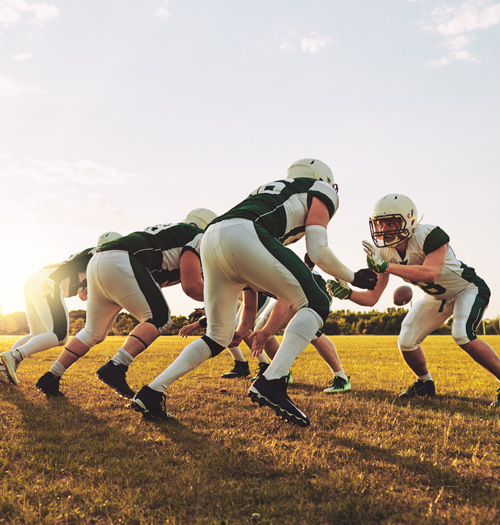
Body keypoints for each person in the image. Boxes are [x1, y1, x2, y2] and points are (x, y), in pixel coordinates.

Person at [131, 158, 377, 427]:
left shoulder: (269, 190)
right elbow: (317, 250)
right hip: (245, 233)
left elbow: (251, 297)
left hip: (213, 238)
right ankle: (273, 380)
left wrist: (247, 326)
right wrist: (353, 276)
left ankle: (153, 391)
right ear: (324, 179)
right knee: (316, 298)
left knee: (217, 337)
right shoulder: (320, 189)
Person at [328, 193, 500, 407]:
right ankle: (425, 383)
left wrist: (384, 266)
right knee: (406, 340)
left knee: (462, 333)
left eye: (390, 223)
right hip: (437, 297)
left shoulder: (429, 235)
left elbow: (430, 273)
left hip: (467, 289)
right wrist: (348, 294)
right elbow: (373, 298)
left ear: (409, 221)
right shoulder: (383, 252)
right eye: (380, 224)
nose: (384, 229)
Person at [35, 208, 216, 398]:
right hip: (122, 260)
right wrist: (227, 300)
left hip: (101, 260)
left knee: (92, 332)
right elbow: (192, 286)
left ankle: (51, 376)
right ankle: (117, 366)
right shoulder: (198, 237)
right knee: (159, 319)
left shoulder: (172, 231)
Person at [0, 232, 122, 386]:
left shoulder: (93, 259)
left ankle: (2, 367)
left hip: (36, 280)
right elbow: (72, 266)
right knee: (59, 335)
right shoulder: (98, 255)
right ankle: (13, 356)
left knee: (37, 333)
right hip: (49, 283)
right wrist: (53, 280)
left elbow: (84, 295)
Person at [180, 294, 272, 379]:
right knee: (231, 325)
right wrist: (204, 310)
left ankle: (264, 366)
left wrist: (194, 326)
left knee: (236, 326)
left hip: (257, 294)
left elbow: (219, 309)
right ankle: (242, 365)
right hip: (240, 297)